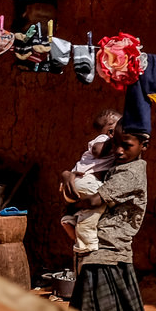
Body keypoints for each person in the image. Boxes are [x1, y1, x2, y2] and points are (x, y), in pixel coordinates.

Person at [58, 127, 150, 311]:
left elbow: (95, 199)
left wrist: (67, 183)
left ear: (143, 145)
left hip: (107, 254)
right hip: (108, 253)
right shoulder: (119, 167)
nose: (120, 151)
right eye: (116, 146)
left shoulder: (131, 172)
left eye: (127, 146)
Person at [59, 109, 122, 257]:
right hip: (84, 181)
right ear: (111, 129)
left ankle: (71, 219)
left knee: (93, 205)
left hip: (78, 184)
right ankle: (86, 244)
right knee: (102, 200)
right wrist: (112, 140)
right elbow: (97, 150)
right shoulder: (103, 139)